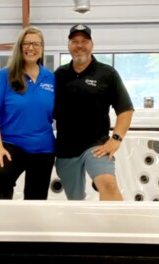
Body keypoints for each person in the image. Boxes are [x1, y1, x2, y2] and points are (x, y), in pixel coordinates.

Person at [53, 24, 134, 201]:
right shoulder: (59, 75)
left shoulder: (107, 73)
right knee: (75, 199)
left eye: (84, 41)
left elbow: (125, 109)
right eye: (75, 41)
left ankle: (118, 227)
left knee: (108, 185)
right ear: (69, 46)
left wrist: (116, 139)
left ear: (92, 45)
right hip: (66, 149)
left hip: (97, 146)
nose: (79, 45)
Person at [0, 26, 55, 200]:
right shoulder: (4, 76)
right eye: (27, 43)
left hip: (43, 148)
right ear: (20, 47)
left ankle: (30, 226)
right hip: (10, 145)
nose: (31, 48)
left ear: (42, 48)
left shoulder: (51, 78)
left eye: (36, 44)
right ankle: (0, 224)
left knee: (36, 198)